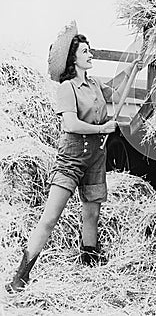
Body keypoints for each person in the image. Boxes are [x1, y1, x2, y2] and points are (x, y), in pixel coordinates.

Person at [6, 20, 142, 293]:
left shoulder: (93, 84)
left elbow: (116, 90)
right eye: (86, 53)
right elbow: (70, 124)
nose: (91, 55)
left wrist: (132, 67)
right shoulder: (67, 88)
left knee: (92, 212)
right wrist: (102, 128)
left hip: (96, 155)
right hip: (71, 156)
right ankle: (21, 275)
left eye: (90, 51)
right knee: (50, 217)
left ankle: (89, 259)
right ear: (73, 60)